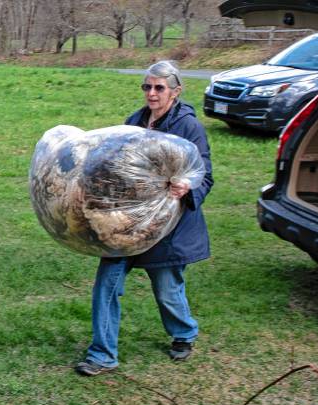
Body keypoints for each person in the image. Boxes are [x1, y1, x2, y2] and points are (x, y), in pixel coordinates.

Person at [75, 60, 214, 376]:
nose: (151, 93)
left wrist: (187, 187)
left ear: (176, 91)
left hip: (168, 227)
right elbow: (117, 167)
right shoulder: (134, 122)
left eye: (159, 88)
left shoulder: (188, 127)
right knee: (106, 285)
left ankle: (184, 333)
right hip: (127, 225)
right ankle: (102, 354)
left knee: (167, 290)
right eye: (147, 87)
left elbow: (204, 177)